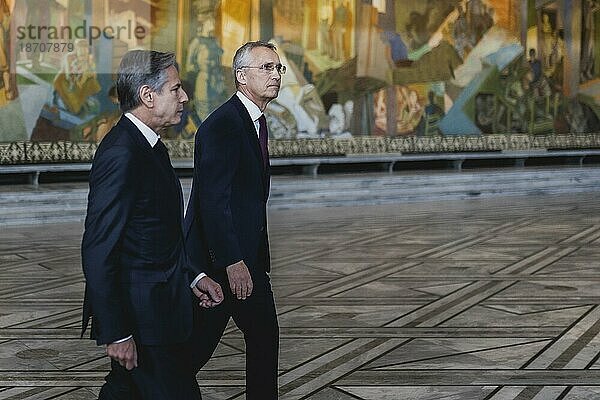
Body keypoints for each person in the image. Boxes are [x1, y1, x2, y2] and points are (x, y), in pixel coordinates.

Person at [81, 50, 223, 399]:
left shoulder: (150, 146)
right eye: (176, 89)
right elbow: (99, 249)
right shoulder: (122, 152)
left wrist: (194, 275)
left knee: (122, 392)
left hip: (159, 310)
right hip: (143, 321)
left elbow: (155, 234)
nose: (184, 97)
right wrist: (116, 332)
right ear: (148, 95)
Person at [183, 40, 282, 399]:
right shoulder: (223, 125)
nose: (275, 76)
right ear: (241, 76)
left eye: (277, 68)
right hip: (219, 262)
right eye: (266, 68)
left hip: (246, 258)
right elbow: (213, 202)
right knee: (191, 353)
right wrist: (232, 262)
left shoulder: (254, 122)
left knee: (264, 336)